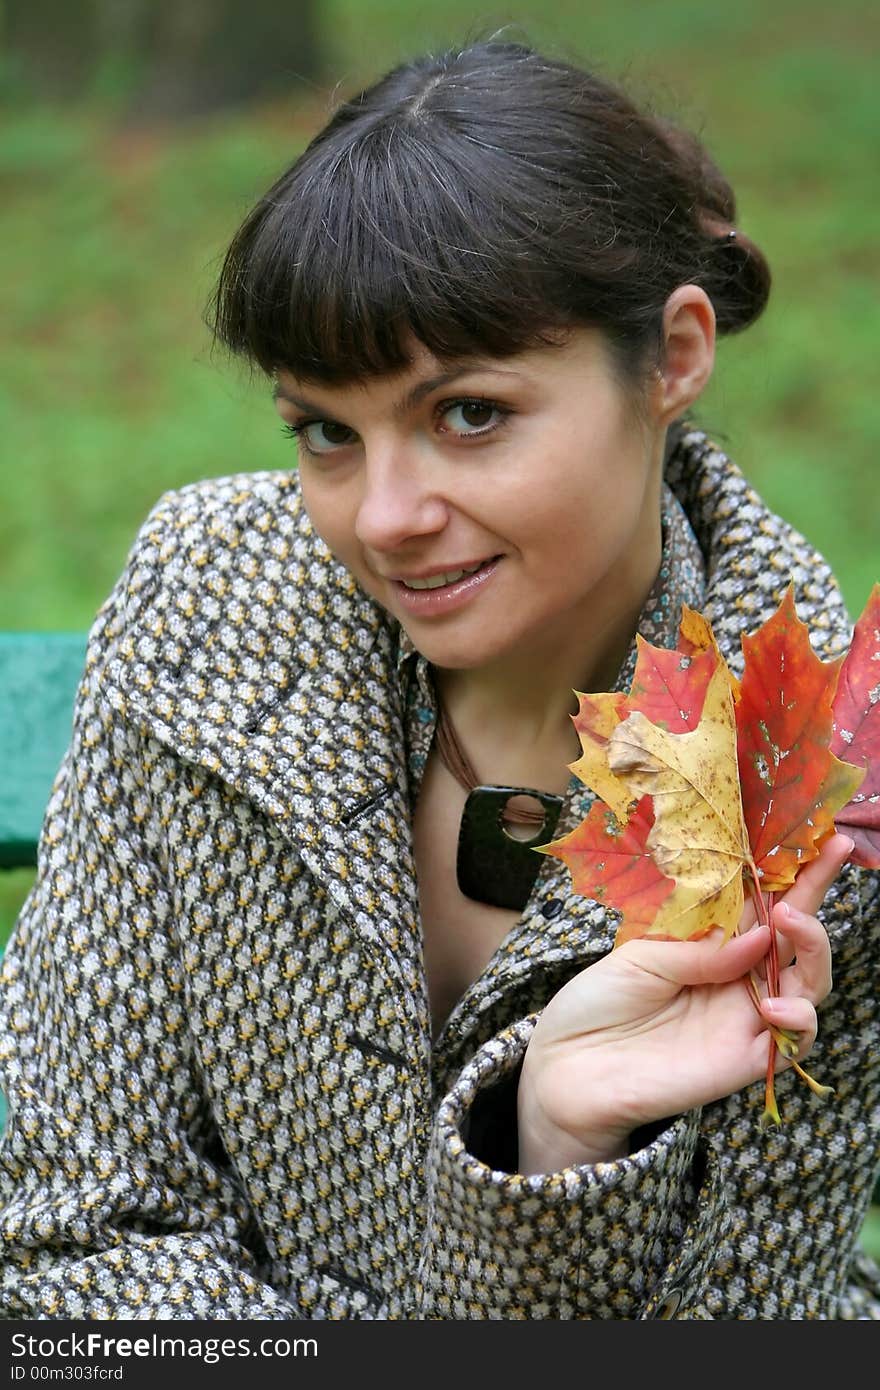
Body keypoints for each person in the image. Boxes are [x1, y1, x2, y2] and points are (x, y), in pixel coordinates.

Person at [0, 38, 877, 1322]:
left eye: (468, 412)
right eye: (326, 432)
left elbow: (743, 1322)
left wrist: (558, 1147)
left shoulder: (814, 775)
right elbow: (65, 1223)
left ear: (674, 357)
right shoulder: (207, 602)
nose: (387, 516)